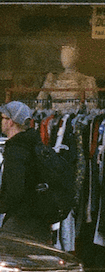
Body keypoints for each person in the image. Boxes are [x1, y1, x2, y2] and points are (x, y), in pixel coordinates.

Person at [0, 101, 53, 244]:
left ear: (10, 122)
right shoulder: (34, 144)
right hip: (39, 219)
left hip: (23, 219)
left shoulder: (16, 149)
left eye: (3, 118)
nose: (1, 121)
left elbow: (15, 191)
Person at [38, 43, 96, 111]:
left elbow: (92, 107)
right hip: (55, 117)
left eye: (69, 55)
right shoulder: (52, 79)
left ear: (76, 57)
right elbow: (40, 102)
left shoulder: (86, 80)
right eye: (63, 56)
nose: (65, 59)